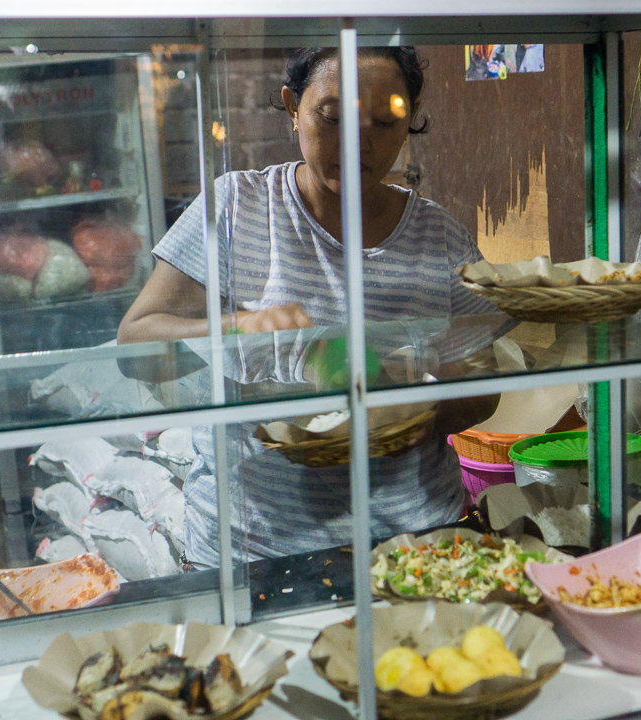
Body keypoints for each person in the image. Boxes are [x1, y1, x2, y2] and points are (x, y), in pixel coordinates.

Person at [118, 47, 497, 569]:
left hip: (415, 541)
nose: (358, 143)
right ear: (293, 106)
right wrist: (238, 328)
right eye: (334, 117)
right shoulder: (237, 206)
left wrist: (405, 399)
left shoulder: (440, 236)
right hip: (256, 547)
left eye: (386, 122)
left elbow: (485, 387)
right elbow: (135, 347)